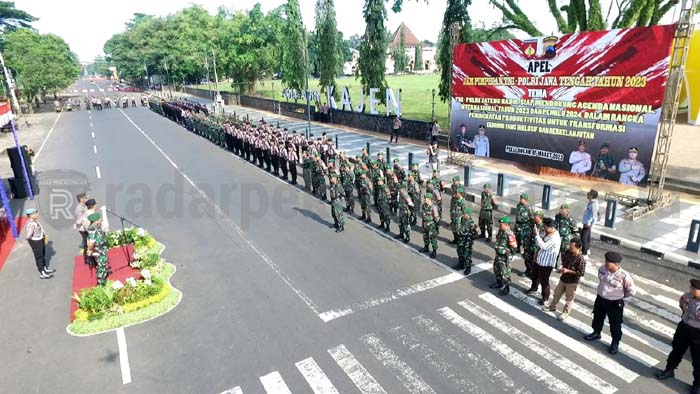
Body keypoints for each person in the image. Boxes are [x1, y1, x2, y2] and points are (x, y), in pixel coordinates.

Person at [584, 251, 635, 355]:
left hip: (614, 303)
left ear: (616, 264)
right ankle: (596, 332)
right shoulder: (602, 269)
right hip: (601, 299)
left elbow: (631, 291)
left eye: (608, 262)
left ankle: (615, 343)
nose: (605, 263)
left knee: (615, 324)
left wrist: (619, 296)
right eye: (606, 261)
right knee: (597, 317)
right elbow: (601, 279)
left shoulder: (624, 276)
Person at [656, 279, 700, 394]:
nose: (691, 290)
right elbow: (682, 305)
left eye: (694, 289)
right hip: (684, 328)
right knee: (676, 350)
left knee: (698, 360)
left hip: (698, 333)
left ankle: (697, 385)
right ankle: (669, 370)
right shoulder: (687, 296)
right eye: (691, 287)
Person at [545, 237, 586, 321]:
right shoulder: (567, 253)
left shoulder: (581, 260)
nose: (570, 248)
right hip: (563, 279)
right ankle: (552, 307)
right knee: (557, 293)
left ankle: (565, 312)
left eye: (572, 247)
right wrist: (561, 269)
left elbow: (581, 273)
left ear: (578, 247)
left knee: (569, 299)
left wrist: (568, 271)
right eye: (570, 246)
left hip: (572, 282)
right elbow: (563, 262)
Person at [527, 218, 562, 305]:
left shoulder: (555, 238)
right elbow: (538, 242)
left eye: (546, 227)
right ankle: (534, 288)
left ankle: (545, 298)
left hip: (546, 264)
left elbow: (544, 246)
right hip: (539, 259)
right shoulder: (546, 233)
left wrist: (537, 236)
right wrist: (538, 235)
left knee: (544, 281)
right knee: (534, 275)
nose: (544, 229)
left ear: (552, 227)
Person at [25, 208, 54, 279]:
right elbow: (28, 236)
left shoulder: (35, 221)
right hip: (36, 242)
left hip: (40, 240)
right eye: (35, 213)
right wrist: (33, 242)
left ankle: (45, 269)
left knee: (42, 255)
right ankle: (42, 273)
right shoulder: (31, 224)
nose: (37, 214)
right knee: (39, 257)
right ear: (31, 215)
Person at [492, 216, 517, 295]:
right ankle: (499, 283)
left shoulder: (509, 234)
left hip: (505, 257)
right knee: (496, 269)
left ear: (506, 225)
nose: (499, 225)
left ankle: (507, 288)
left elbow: (514, 247)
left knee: (505, 273)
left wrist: (508, 254)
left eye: (501, 224)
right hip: (498, 255)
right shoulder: (501, 231)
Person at [87, 212, 111, 286]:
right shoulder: (92, 230)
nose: (101, 220)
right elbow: (91, 242)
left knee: (104, 264)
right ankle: (101, 283)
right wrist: (90, 250)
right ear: (96, 221)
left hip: (102, 249)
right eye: (99, 219)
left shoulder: (96, 226)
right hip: (98, 251)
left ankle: (104, 276)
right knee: (101, 266)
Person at [456, 204, 478, 275]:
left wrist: (469, 239)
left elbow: (475, 234)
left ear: (469, 215)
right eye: (464, 213)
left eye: (465, 213)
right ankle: (461, 264)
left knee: (467, 254)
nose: (464, 214)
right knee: (459, 251)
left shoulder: (472, 224)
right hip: (461, 240)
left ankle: (468, 267)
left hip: (467, 242)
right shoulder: (462, 219)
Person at [581, 189, 600, 256]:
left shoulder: (593, 204)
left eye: (589, 193)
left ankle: (584, 251)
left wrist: (591, 225)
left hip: (587, 224)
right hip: (587, 223)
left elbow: (595, 216)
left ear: (591, 196)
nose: (587, 194)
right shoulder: (591, 202)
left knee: (583, 238)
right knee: (587, 237)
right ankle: (587, 249)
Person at [421, 193, 440, 258]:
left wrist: (434, 225)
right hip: (425, 223)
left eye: (425, 198)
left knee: (433, 238)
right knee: (425, 236)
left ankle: (434, 251)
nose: (424, 199)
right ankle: (426, 247)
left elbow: (437, 218)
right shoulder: (423, 205)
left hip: (431, 225)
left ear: (429, 199)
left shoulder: (433, 207)